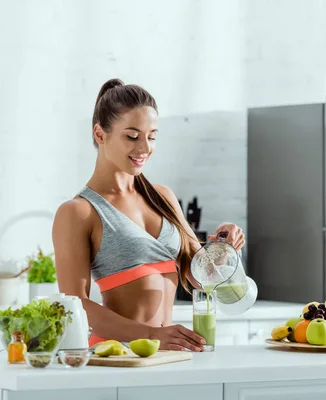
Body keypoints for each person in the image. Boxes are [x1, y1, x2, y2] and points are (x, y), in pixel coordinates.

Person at [52, 78, 246, 352]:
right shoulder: (78, 212)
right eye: (132, 136)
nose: (144, 148)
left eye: (151, 136)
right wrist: (152, 334)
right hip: (116, 354)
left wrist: (223, 246)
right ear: (100, 134)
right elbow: (73, 304)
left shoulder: (163, 197)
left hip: (166, 352)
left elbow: (200, 276)